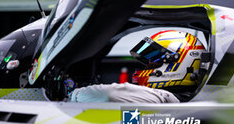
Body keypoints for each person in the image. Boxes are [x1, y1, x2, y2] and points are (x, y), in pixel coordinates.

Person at [70, 30, 206, 103]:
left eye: (152, 62)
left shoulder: (163, 97)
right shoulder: (176, 99)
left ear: (177, 62)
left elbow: (107, 94)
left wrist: (71, 94)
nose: (146, 67)